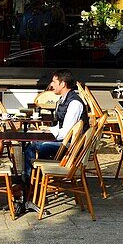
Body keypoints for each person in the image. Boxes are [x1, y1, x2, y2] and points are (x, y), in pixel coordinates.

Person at [22, 69, 88, 211]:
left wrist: (47, 134)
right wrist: (46, 130)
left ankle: (29, 188)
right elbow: (60, 125)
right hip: (67, 143)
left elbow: (66, 133)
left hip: (71, 148)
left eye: (54, 81)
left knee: (34, 148)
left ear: (63, 84)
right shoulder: (63, 100)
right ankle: (34, 187)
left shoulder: (74, 103)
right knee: (34, 145)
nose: (51, 84)